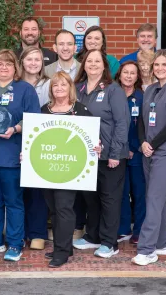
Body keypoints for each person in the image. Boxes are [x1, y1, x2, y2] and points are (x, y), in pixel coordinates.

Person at [0, 49, 41, 262]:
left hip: (12, 156)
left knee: (13, 201)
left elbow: (33, 119)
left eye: (8, 64)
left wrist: (16, 129)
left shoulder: (25, 90)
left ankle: (14, 243)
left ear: (16, 68)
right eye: (0, 64)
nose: (4, 68)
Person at [131, 50, 166, 266]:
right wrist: (144, 142)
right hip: (149, 150)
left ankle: (147, 250)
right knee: (157, 197)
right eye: (157, 65)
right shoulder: (150, 90)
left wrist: (152, 144)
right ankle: (163, 243)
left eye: (164, 64)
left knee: (153, 198)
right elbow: (143, 121)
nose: (160, 68)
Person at [73, 49, 130, 258]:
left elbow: (122, 123)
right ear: (84, 64)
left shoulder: (114, 90)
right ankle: (93, 236)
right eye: (90, 60)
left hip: (110, 156)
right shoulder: (78, 89)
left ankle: (109, 242)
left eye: (98, 61)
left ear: (104, 66)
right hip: (87, 156)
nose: (93, 64)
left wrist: (115, 153)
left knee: (110, 199)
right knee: (91, 198)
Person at [40, 71, 99, 268]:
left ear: (70, 88)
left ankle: (62, 252)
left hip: (70, 169)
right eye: (55, 86)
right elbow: (37, 139)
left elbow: (93, 136)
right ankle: (62, 245)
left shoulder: (79, 110)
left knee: (64, 208)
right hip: (48, 169)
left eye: (63, 85)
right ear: (51, 90)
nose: (59, 89)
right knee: (54, 209)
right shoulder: (44, 110)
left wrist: (98, 146)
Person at [20, 46, 51, 249]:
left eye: (37, 60)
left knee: (38, 191)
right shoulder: (14, 84)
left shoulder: (49, 85)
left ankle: (38, 233)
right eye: (29, 59)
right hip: (16, 140)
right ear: (22, 61)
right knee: (19, 191)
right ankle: (20, 232)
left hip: (42, 141)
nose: (33, 63)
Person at [115, 61, 146, 245]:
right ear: (119, 75)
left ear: (137, 76)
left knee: (139, 192)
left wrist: (133, 148)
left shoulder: (142, 97)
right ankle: (123, 228)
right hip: (117, 153)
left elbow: (144, 127)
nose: (128, 76)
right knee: (121, 192)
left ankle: (140, 230)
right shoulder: (113, 95)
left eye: (132, 73)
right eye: (125, 72)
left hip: (137, 153)